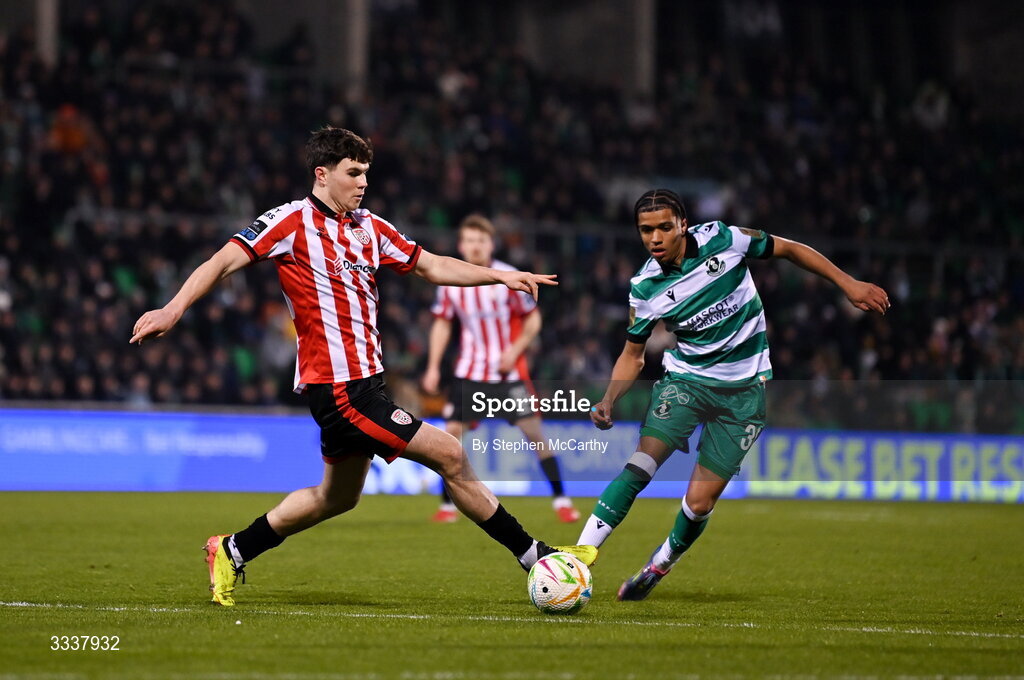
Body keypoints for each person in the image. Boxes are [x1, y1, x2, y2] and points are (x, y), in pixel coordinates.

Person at [129, 127, 596, 606]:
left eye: (366, 173)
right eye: (353, 173)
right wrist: (173, 308)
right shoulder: (289, 222)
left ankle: (231, 549)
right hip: (338, 389)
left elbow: (431, 265)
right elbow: (222, 262)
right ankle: (536, 554)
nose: (362, 182)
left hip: (367, 385)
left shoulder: (369, 227)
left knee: (337, 498)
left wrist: (500, 275)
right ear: (322, 174)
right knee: (451, 454)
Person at [576, 189, 889, 601]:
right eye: (645, 230)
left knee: (699, 503)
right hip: (686, 381)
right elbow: (632, 356)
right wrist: (609, 399)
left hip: (743, 390)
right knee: (642, 463)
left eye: (664, 228)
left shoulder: (725, 239)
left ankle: (660, 564)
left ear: (683, 225)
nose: (654, 238)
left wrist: (847, 283)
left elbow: (790, 249)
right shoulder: (645, 287)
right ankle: (579, 559)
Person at [421, 214, 579, 524]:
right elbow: (442, 324)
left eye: (480, 240)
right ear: (461, 245)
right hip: (469, 373)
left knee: (535, 435)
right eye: (469, 240)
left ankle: (562, 499)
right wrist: (433, 367)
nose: (475, 246)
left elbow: (533, 318)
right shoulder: (451, 280)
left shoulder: (507, 277)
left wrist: (516, 349)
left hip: (506, 375)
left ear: (490, 244)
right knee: (451, 438)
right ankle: (447, 506)